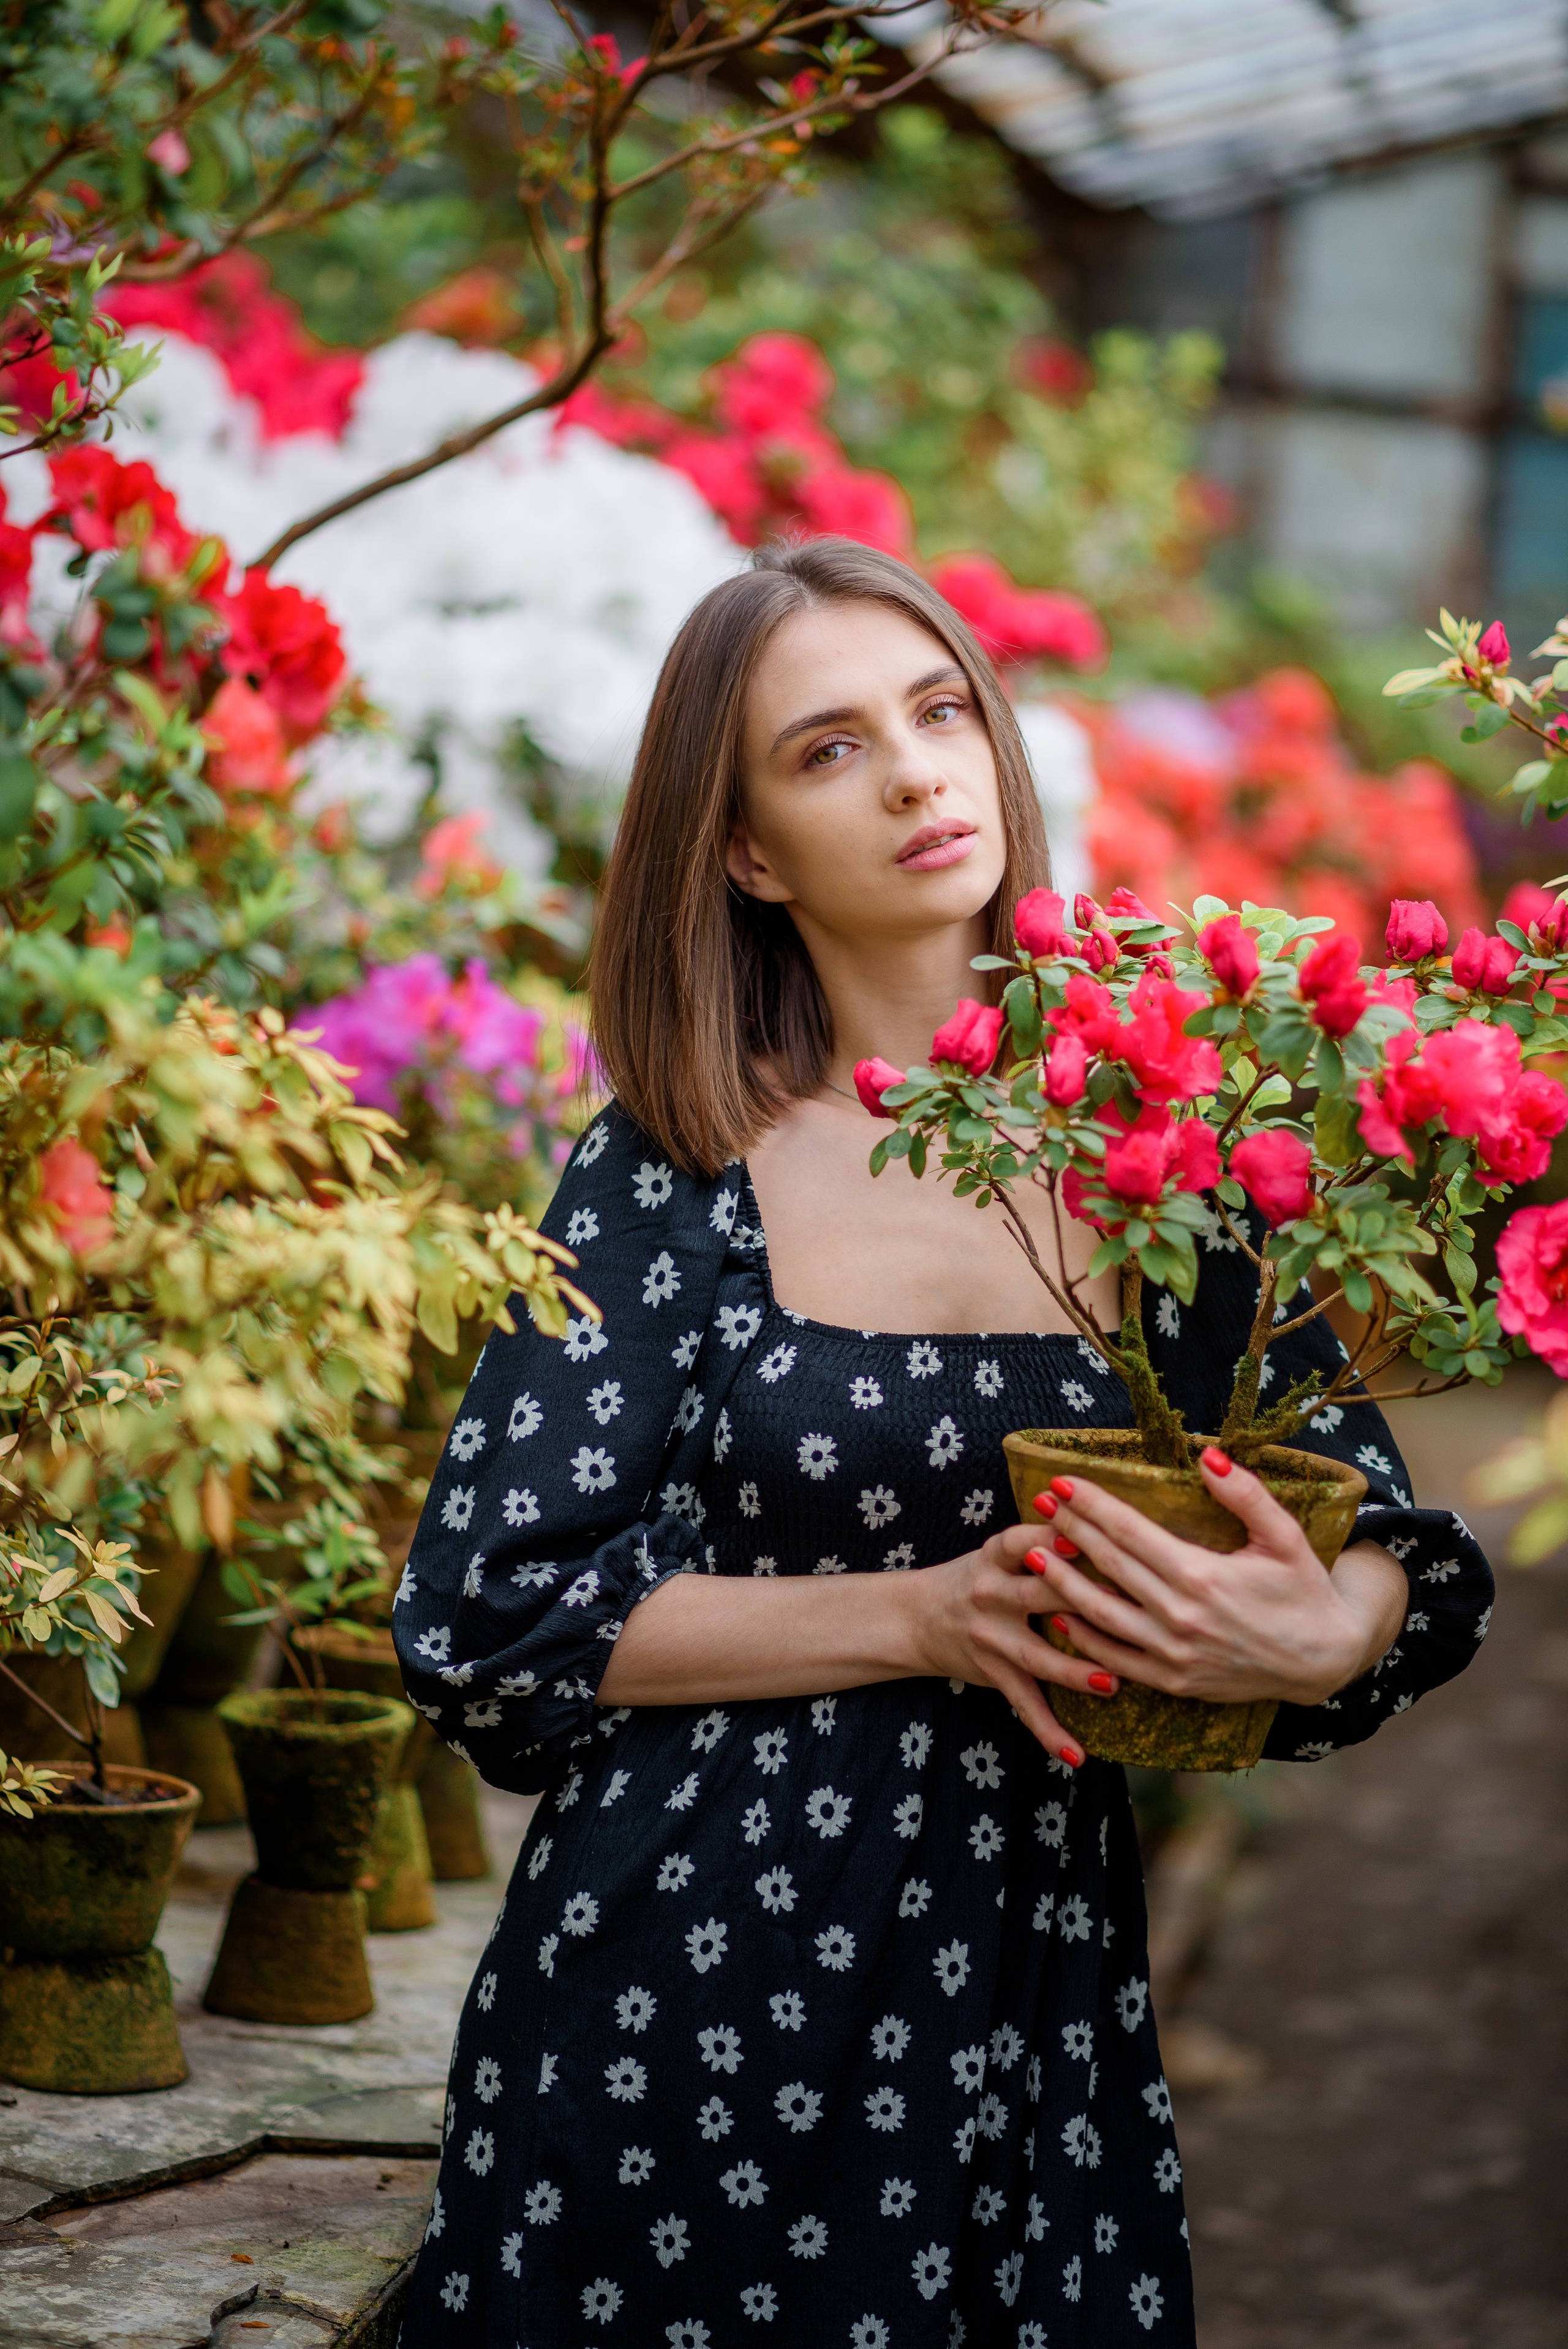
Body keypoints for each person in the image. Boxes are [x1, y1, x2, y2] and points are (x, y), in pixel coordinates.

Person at [393, 537, 1493, 2347]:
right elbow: (492, 1612)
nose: (914, 770)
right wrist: (925, 1614)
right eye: (827, 749)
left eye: (938, 711)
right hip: (688, 2005)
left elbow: (1383, 1530)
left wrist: (1332, 1626)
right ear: (746, 850)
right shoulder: (675, 1166)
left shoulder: (1172, 1152)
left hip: (1031, 2014)